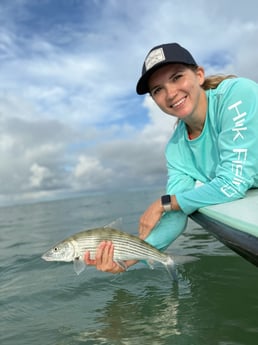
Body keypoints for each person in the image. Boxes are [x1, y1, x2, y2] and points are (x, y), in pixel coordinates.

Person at [85, 42, 258, 273]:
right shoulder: (176, 148)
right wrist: (127, 261)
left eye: (177, 77)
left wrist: (163, 203)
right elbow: (176, 214)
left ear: (198, 75)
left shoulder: (237, 94)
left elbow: (233, 183)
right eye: (158, 90)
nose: (170, 93)